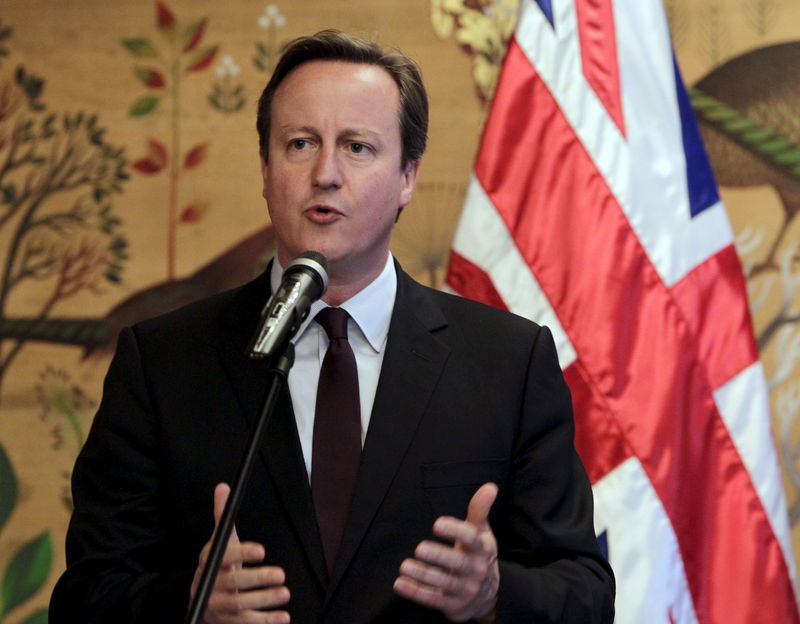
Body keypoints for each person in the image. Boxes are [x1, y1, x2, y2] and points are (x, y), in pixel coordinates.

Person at [50, 30, 614, 623]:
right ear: (266, 169)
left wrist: (494, 596)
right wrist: (186, 605)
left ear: (407, 177)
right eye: (300, 143)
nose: (326, 173)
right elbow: (86, 597)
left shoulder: (508, 363)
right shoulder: (162, 362)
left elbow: (586, 592)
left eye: (358, 148)